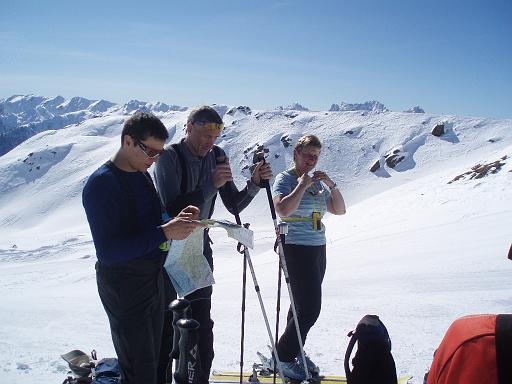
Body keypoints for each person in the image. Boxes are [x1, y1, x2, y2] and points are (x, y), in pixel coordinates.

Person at [154, 105, 273, 384]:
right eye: (205, 132)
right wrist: (210, 185)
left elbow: (233, 204)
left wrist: (254, 183)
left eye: (216, 133)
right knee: (165, 325)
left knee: (202, 323)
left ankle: (199, 378)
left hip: (198, 246)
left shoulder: (217, 156)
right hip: (168, 246)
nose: (211, 140)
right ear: (188, 127)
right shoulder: (168, 158)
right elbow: (173, 209)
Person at [82, 112, 203, 384]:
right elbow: (109, 251)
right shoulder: (102, 184)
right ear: (128, 142)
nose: (154, 160)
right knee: (139, 366)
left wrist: (176, 219)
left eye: (159, 154)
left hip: (153, 277)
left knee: (161, 355)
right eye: (150, 151)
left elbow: (153, 219)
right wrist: (164, 231)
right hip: (123, 283)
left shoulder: (142, 174)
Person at [271, 134, 346, 380]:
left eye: (315, 156)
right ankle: (282, 356)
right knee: (310, 308)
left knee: (300, 306)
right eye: (307, 155)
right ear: (296, 154)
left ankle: (293, 352)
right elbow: (282, 209)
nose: (312, 161)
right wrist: (302, 185)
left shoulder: (317, 183)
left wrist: (331, 185)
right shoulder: (285, 179)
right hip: (294, 245)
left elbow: (339, 210)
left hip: (317, 246)